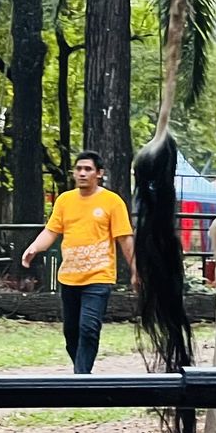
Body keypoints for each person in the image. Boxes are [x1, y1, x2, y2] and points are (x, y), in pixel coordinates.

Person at [21, 151, 138, 374]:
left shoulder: (112, 202)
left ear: (99, 173)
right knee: (71, 332)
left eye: (88, 169)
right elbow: (51, 231)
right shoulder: (65, 200)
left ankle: (81, 377)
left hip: (99, 277)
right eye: (79, 169)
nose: (82, 173)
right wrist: (34, 248)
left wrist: (135, 270)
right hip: (70, 277)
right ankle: (81, 371)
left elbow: (125, 238)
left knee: (89, 328)